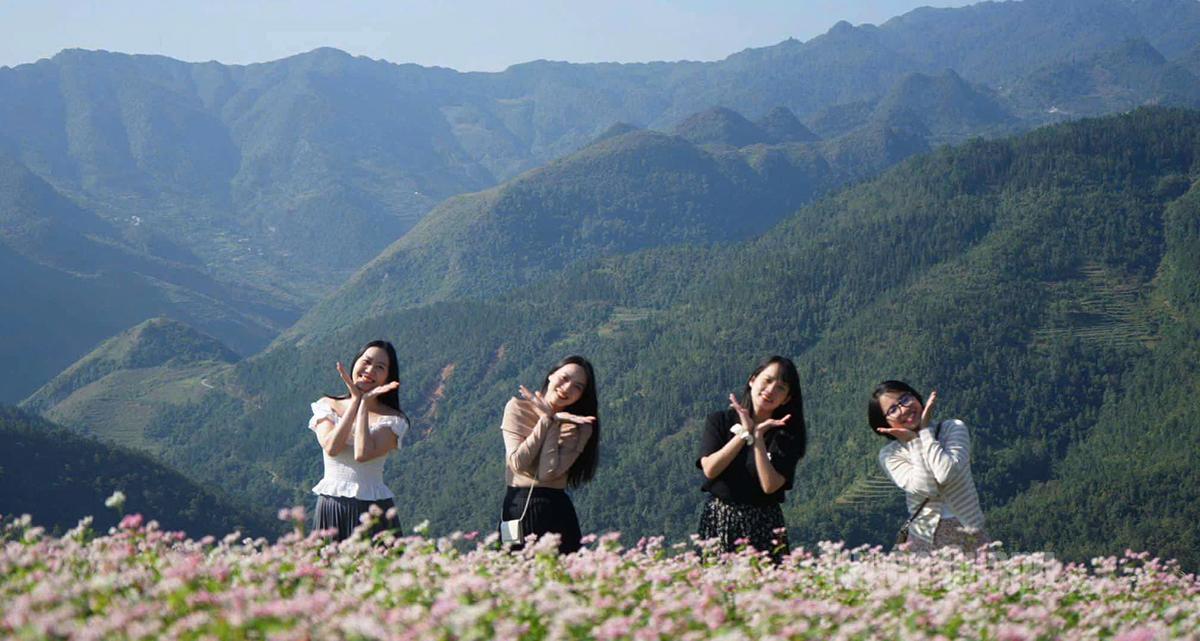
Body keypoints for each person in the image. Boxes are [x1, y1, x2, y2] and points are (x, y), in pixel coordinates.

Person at [696, 355, 807, 560]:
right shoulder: (719, 421)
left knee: (765, 588)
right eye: (767, 380)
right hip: (719, 519)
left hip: (764, 524)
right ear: (752, 380)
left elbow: (770, 485)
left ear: (787, 398)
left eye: (781, 388)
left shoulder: (787, 436)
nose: (771, 390)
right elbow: (710, 469)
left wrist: (757, 439)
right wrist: (743, 433)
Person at [308, 340, 410, 541]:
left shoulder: (394, 420)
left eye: (380, 367)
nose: (370, 370)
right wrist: (355, 401)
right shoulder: (327, 406)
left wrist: (363, 404)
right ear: (355, 363)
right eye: (367, 362)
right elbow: (332, 447)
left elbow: (362, 453)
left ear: (388, 377)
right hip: (331, 507)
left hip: (373, 511)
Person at [872, 380, 988, 553]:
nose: (903, 409)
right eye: (893, 410)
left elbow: (946, 474)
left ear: (916, 397)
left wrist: (925, 432)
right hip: (924, 540)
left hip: (971, 533)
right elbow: (926, 488)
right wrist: (913, 441)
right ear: (884, 422)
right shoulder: (890, 455)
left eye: (904, 399)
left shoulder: (953, 428)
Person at [499, 355, 599, 554]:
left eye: (577, 387)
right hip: (518, 505)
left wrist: (553, 421)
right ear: (551, 375)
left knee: (565, 581)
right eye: (564, 378)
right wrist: (548, 420)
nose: (567, 388)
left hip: (555, 509)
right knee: (515, 576)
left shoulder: (577, 426)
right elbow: (517, 462)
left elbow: (547, 472)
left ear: (581, 396)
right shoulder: (518, 408)